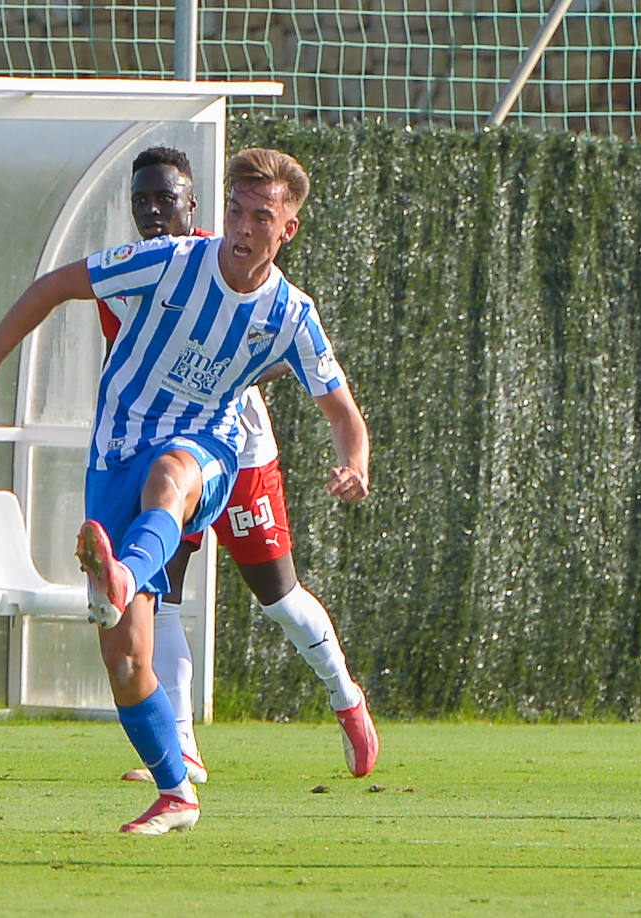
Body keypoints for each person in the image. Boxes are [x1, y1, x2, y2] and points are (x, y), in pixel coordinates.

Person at [0, 147, 370, 835]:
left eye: (260, 216)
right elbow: (57, 284)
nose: (242, 227)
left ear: (286, 230)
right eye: (236, 210)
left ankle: (340, 694)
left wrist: (353, 463)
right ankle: (178, 792)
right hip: (114, 453)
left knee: (174, 480)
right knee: (125, 658)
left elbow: (342, 412)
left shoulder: (291, 315)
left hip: (207, 450)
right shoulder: (173, 262)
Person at [106, 147, 379, 787]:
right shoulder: (130, 273)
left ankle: (345, 697)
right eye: (141, 201)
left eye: (164, 201)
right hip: (165, 450)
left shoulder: (230, 255)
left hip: (241, 449)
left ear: (192, 207)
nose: (152, 213)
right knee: (160, 591)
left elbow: (295, 353)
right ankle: (182, 747)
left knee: (278, 598)